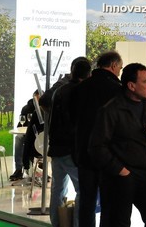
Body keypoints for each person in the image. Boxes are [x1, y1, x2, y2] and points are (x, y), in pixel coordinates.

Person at [89, 63, 146, 227]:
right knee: (118, 222)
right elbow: (97, 147)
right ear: (131, 86)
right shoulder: (110, 110)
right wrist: (121, 171)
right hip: (120, 177)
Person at [70, 51, 123, 227]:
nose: (119, 72)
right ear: (114, 66)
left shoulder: (80, 88)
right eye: (120, 68)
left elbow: (72, 119)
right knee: (109, 202)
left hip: (84, 152)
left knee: (87, 201)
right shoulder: (117, 89)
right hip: (108, 154)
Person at [47, 58, 92, 227]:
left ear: (72, 71)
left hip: (56, 148)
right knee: (82, 190)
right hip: (71, 149)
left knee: (57, 190)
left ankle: (56, 223)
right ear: (89, 74)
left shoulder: (59, 90)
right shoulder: (81, 92)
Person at [10, 90, 40, 181]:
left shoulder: (46, 108)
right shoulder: (26, 108)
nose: (37, 101)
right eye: (36, 99)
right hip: (27, 135)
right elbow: (20, 125)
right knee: (18, 138)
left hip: (40, 136)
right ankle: (19, 169)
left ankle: (40, 170)